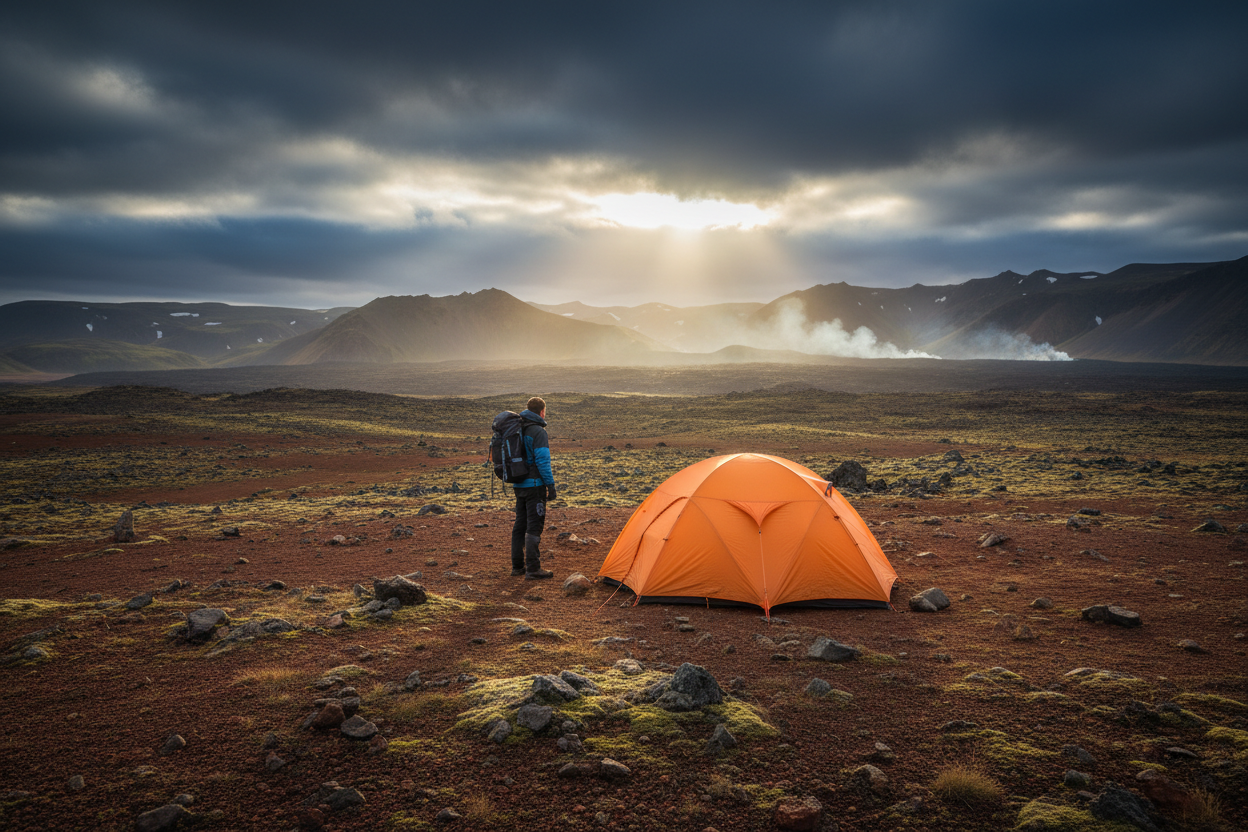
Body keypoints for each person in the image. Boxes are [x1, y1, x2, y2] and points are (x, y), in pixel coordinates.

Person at [511, 396, 556, 579]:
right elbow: (543, 461)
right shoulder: (538, 432)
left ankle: (517, 567)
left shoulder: (516, 429)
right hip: (534, 485)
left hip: (518, 484)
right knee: (534, 527)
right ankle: (533, 569)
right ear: (542, 411)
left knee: (520, 525)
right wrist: (550, 485)